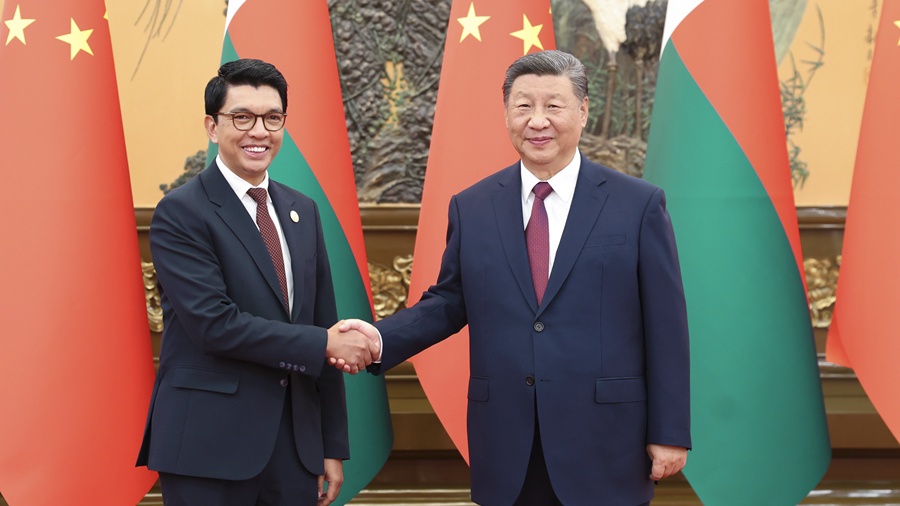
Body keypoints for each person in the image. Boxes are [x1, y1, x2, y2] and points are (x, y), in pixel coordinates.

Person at [338, 50, 691, 505]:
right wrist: (378, 339)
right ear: (506, 113)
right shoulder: (473, 206)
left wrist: (669, 431)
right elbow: (448, 302)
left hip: (606, 443)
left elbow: (666, 326)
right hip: (509, 444)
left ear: (583, 111)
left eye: (554, 106)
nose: (537, 121)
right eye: (523, 106)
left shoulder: (637, 205)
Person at [136, 58, 378, 506]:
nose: (259, 132)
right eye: (242, 117)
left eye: (272, 118)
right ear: (213, 127)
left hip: (294, 448)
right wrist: (324, 342)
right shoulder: (181, 212)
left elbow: (322, 321)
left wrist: (330, 444)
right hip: (208, 446)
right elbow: (215, 325)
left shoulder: (302, 210)